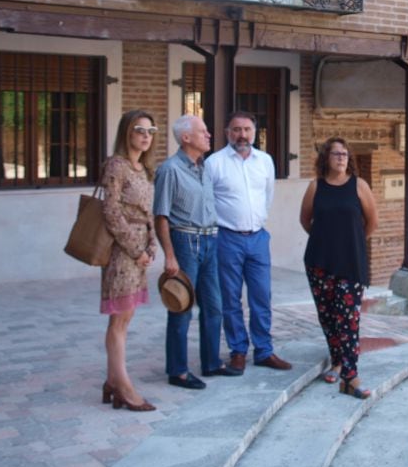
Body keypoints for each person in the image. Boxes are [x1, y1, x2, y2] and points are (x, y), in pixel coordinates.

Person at [154, 114, 237, 390]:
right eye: (203, 131)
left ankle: (211, 362)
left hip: (210, 241)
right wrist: (169, 255)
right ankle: (177, 371)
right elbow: (161, 216)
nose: (209, 135)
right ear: (186, 137)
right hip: (185, 242)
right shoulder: (170, 170)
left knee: (214, 306)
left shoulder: (204, 168)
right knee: (181, 307)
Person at [206, 110, 290, 372]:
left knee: (261, 297)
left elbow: (267, 196)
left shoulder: (265, 161)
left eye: (247, 130)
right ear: (226, 133)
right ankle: (238, 350)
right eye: (236, 129)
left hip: (257, 238)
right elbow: (207, 203)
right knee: (230, 299)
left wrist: (257, 223)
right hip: (227, 239)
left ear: (254, 132)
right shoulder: (215, 163)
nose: (242, 134)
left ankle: (264, 351)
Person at [300, 137, 378, 399]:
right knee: (329, 318)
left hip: (350, 262)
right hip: (319, 261)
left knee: (349, 320)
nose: (341, 157)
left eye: (344, 153)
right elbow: (306, 220)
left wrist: (351, 241)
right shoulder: (315, 187)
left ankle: (351, 376)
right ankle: (337, 361)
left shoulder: (360, 186)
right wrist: (326, 240)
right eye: (335, 153)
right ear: (326, 158)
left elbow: (371, 223)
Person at [100, 110, 159, 412]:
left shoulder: (144, 169)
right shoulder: (116, 166)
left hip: (140, 252)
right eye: (139, 130)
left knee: (127, 316)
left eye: (151, 131)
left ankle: (112, 380)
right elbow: (111, 212)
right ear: (127, 132)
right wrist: (136, 249)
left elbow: (148, 214)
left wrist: (151, 245)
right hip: (122, 252)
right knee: (119, 317)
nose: (146, 136)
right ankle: (123, 386)